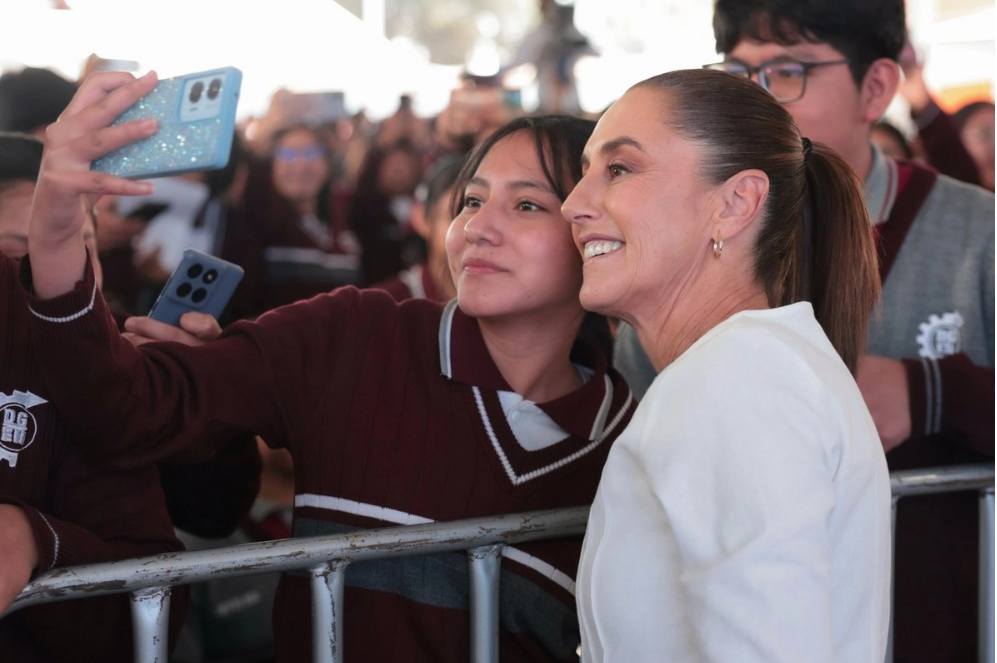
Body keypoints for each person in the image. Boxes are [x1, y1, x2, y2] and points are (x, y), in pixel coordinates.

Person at [23, 70, 636, 662]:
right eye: (471, 200)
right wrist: (54, 234)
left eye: (527, 206)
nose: (478, 227)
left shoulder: (632, 440)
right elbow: (129, 408)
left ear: (594, 230)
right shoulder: (355, 336)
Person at [607, 2, 994, 659]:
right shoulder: (689, 241)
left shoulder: (973, 231)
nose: (758, 97)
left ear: (875, 87)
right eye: (738, 70)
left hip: (942, 623)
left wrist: (928, 392)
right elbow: (631, 416)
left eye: (787, 71)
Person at [564, 68, 890, 662]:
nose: (574, 205)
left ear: (736, 204)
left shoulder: (739, 379)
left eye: (618, 168)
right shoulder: (749, 368)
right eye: (584, 172)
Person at [0, 131, 186, 662]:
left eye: (78, 247)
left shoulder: (98, 390)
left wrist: (35, 540)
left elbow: (151, 615)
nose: (58, 272)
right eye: (22, 250)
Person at [243, 123, 362, 312]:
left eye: (311, 153)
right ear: (271, 166)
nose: (300, 165)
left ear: (328, 164)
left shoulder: (346, 223)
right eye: (287, 155)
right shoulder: (255, 228)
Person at [371, 153, 464, 302]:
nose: (470, 229)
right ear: (421, 219)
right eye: (454, 216)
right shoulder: (386, 304)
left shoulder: (503, 302)